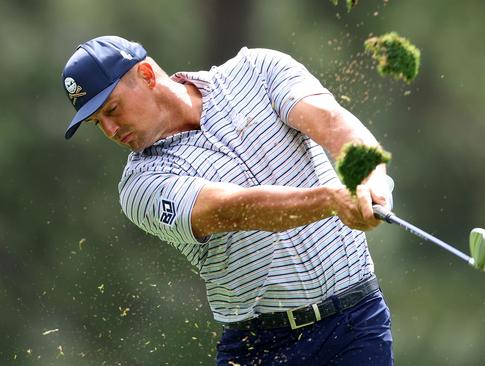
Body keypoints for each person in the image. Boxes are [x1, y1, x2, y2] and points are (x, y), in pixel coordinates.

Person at [61, 35, 394, 365]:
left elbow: (332, 122)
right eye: (96, 123)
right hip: (262, 349)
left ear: (146, 75)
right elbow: (234, 210)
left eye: (112, 110)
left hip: (358, 321)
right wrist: (333, 200)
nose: (109, 130)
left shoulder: (256, 70)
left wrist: (370, 178)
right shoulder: (140, 186)